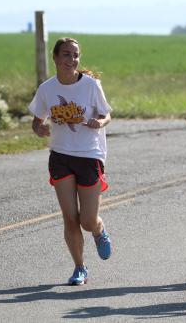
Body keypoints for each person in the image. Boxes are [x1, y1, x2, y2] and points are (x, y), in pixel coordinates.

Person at [28, 37, 113, 286]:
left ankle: (98, 230)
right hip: (61, 156)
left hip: (89, 155)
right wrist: (39, 129)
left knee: (87, 220)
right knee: (70, 218)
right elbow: (37, 120)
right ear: (55, 57)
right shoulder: (46, 89)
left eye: (75, 55)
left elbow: (106, 113)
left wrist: (101, 122)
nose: (71, 60)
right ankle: (80, 268)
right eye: (66, 54)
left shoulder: (91, 85)